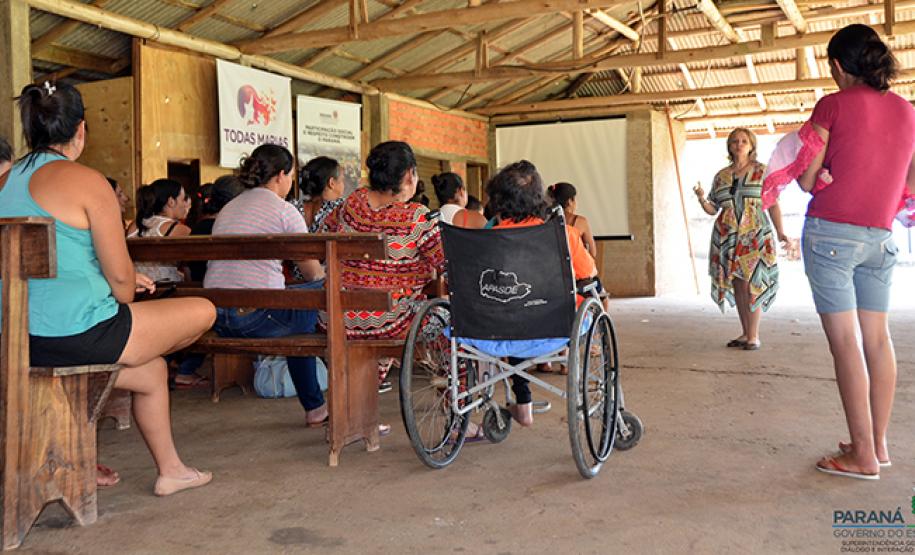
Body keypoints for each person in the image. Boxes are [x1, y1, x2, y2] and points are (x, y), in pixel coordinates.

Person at [0, 82, 214, 496]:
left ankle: (171, 470)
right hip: (76, 335)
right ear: (81, 129)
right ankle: (76, 419)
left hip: (15, 339)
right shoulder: (87, 181)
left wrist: (106, 276)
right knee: (203, 310)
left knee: (149, 371)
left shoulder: (4, 181)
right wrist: (120, 278)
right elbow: (122, 289)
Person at [795, 25, 915, 480]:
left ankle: (860, 455)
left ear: (839, 67)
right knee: (877, 340)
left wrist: (825, 174)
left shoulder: (832, 105)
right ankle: (878, 444)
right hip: (880, 238)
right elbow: (912, 184)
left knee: (845, 344)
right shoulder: (907, 112)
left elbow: (806, 177)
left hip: (831, 236)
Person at [204, 144, 329, 426]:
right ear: (280, 175)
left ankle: (315, 406)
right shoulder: (284, 211)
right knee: (318, 296)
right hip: (253, 317)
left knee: (299, 309)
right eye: (291, 176)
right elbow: (313, 274)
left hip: (217, 315)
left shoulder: (229, 208)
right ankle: (315, 406)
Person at [322, 141, 445, 401]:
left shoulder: (349, 205)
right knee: (451, 325)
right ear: (409, 175)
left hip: (337, 317)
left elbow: (323, 236)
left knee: (390, 307)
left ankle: (360, 402)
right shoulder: (415, 217)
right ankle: (456, 416)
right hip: (390, 321)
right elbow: (447, 263)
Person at [485, 160, 599, 427]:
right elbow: (589, 273)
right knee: (577, 295)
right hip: (554, 326)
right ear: (538, 197)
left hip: (497, 328)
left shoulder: (484, 239)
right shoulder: (564, 234)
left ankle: (522, 402)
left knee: (514, 307)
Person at [693, 127, 787, 350]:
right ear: (729, 146)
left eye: (744, 141)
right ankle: (746, 333)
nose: (739, 144)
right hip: (728, 236)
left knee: (753, 281)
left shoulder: (762, 172)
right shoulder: (722, 176)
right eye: (735, 141)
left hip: (755, 234)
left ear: (752, 145)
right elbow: (713, 208)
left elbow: (772, 204)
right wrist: (700, 198)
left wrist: (781, 232)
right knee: (737, 283)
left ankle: (754, 336)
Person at [174, 175, 244, 389]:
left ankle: (178, 365)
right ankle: (185, 370)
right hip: (220, 294)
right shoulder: (227, 225)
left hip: (200, 288)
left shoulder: (198, 226)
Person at [127, 179, 192, 283]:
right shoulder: (180, 229)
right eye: (183, 199)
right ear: (171, 201)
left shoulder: (134, 225)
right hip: (167, 288)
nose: (186, 204)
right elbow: (190, 267)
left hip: (136, 287)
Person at [547, 182, 598, 258]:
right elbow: (592, 253)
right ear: (570, 201)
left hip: (552, 267)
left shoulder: (546, 220)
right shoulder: (581, 222)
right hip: (576, 267)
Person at [297, 155, 346, 233]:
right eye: (342, 180)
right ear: (331, 183)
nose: (344, 185)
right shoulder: (341, 207)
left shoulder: (295, 207)